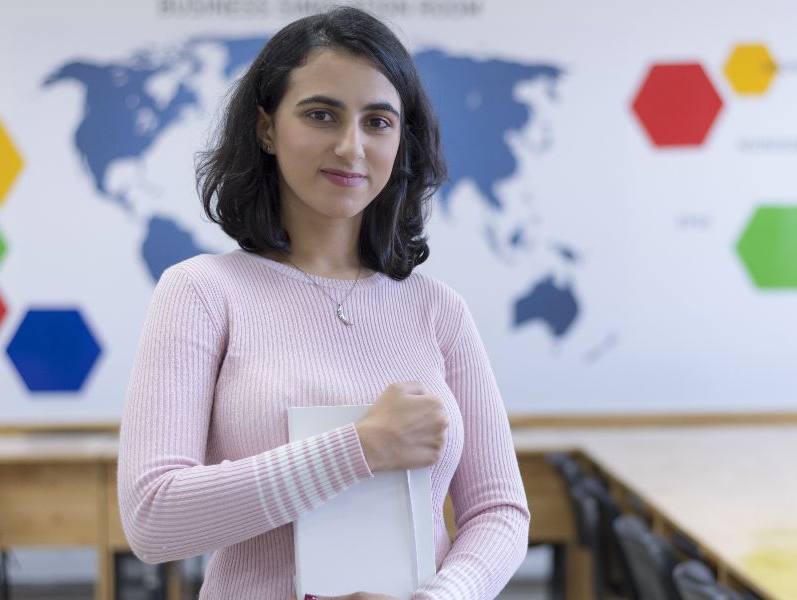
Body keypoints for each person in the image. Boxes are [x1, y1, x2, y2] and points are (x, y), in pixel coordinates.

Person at [116, 7, 530, 600]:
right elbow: (153, 520)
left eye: (378, 121)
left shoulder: (438, 309)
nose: (349, 146)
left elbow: (500, 512)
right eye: (320, 114)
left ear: (401, 139)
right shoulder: (202, 292)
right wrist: (362, 447)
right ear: (266, 128)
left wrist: (442, 597)